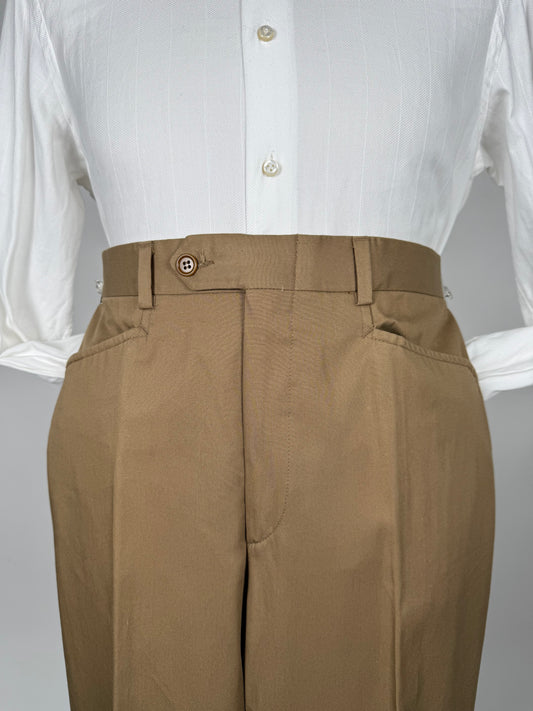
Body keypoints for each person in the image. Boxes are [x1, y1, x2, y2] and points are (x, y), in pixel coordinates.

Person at [0, 1, 531, 709]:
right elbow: (21, 271)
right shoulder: (58, 9)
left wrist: (428, 375)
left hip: (385, 394)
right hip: (148, 392)